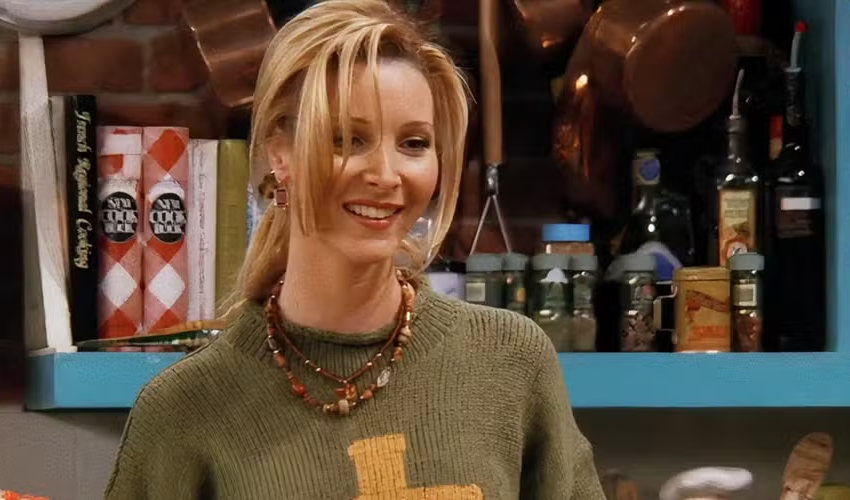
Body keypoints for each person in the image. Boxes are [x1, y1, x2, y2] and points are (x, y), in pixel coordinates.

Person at [104, 1, 605, 498]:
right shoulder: (184, 409)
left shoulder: (510, 361)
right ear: (280, 154)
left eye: (414, 143)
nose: (386, 175)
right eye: (347, 139)